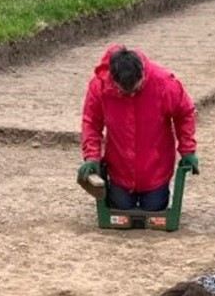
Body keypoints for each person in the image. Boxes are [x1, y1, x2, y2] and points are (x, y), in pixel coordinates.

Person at [78, 45, 197, 211]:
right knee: (122, 206)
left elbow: (184, 113)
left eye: (136, 88)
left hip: (155, 168)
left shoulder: (163, 83)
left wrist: (188, 150)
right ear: (113, 79)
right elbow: (91, 122)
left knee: (154, 207)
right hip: (120, 168)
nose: (132, 94)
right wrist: (92, 156)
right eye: (125, 91)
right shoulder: (100, 86)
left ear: (142, 73)